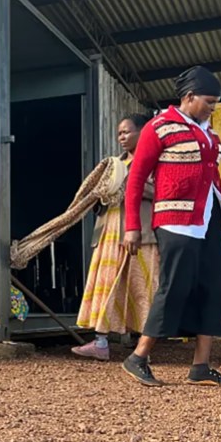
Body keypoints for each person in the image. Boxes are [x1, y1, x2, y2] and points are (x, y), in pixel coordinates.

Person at [122, 66, 221, 387]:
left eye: (216, 103)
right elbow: (135, 179)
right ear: (188, 97)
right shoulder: (159, 127)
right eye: (208, 101)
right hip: (174, 220)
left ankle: (201, 366)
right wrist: (132, 226)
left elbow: (214, 183)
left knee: (214, 288)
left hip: (208, 220)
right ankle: (138, 356)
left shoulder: (209, 133)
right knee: (175, 285)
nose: (212, 108)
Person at [72, 114, 159, 361]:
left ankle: (144, 348)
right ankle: (100, 342)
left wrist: (129, 184)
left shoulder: (155, 160)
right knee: (107, 282)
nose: (121, 137)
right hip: (111, 231)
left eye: (127, 132)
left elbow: (162, 192)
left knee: (142, 288)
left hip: (141, 233)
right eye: (119, 133)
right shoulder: (115, 165)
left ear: (143, 132)